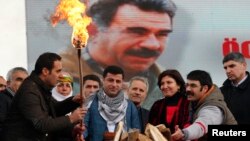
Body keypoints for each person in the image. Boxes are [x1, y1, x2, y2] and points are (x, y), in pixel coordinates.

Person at [60, 0, 177, 110]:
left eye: (162, 34)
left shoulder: (166, 86)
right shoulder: (58, 77)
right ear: (93, 30)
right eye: (137, 32)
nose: (152, 45)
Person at [2, 52, 87, 141]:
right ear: (45, 71)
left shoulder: (41, 88)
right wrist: (71, 118)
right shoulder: (29, 91)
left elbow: (52, 111)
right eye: (58, 71)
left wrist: (72, 102)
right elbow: (42, 124)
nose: (60, 76)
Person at [172, 70, 237, 141]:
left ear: (205, 88)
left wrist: (184, 133)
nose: (188, 89)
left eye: (193, 85)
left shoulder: (213, 107)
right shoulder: (195, 101)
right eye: (187, 85)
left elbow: (201, 125)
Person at [84, 65, 140, 141]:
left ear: (122, 83)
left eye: (118, 81)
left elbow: (136, 132)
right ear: (103, 80)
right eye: (110, 80)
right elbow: (83, 128)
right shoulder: (90, 102)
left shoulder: (130, 106)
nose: (114, 85)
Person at [148, 69, 189, 133]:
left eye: (169, 82)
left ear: (179, 85)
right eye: (162, 83)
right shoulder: (157, 105)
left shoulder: (188, 103)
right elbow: (150, 128)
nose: (165, 86)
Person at [220, 52, 250, 124]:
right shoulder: (220, 91)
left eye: (232, 66)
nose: (228, 71)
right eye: (225, 68)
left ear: (244, 65)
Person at [0, 67, 28, 137]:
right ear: (8, 83)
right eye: (19, 80)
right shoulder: (2, 98)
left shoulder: (23, 100)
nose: (24, 83)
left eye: (26, 81)